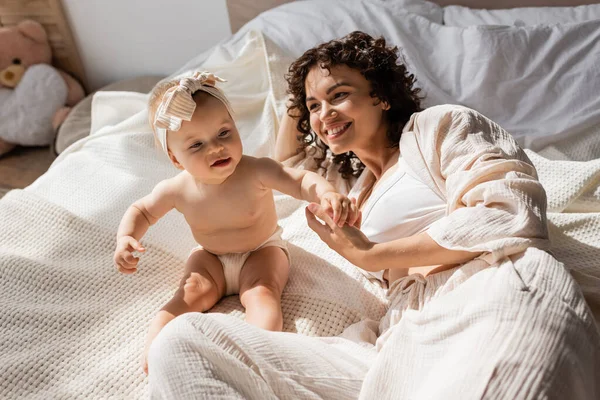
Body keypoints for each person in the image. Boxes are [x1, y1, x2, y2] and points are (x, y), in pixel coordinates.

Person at [147, 34, 599, 399]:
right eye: (314, 107)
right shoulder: (353, 187)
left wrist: (374, 254)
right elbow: (284, 162)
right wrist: (299, 93)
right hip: (400, 337)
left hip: (490, 291)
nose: (324, 115)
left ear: (381, 95)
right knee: (184, 342)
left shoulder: (439, 128)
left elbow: (509, 211)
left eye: (338, 95)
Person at [113, 71, 359, 374]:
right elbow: (142, 210)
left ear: (235, 127)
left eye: (224, 134)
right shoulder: (176, 189)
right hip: (210, 257)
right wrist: (126, 237)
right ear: (176, 159)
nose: (215, 148)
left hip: (261, 249)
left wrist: (327, 192)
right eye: (196, 145)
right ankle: (156, 349)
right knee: (187, 296)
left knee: (262, 292)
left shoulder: (256, 170)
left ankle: (257, 352)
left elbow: (299, 180)